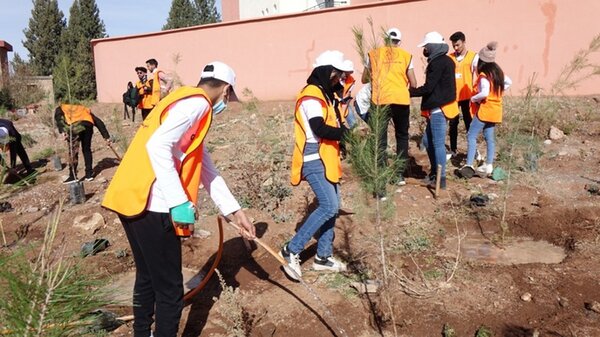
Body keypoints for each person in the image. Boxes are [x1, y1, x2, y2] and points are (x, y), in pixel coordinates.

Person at [101, 61, 256, 337]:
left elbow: (204, 167)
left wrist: (234, 211)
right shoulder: (198, 105)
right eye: (229, 96)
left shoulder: (179, 99)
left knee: (148, 277)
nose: (227, 102)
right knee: (171, 290)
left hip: (129, 198)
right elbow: (158, 145)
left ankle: (141, 333)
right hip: (154, 205)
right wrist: (178, 202)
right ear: (227, 89)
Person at [281, 50, 349, 281]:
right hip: (313, 159)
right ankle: (291, 250)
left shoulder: (325, 94)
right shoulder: (312, 96)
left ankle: (323, 257)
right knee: (329, 206)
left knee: (333, 206)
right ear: (326, 72)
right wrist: (348, 135)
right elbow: (319, 128)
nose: (339, 79)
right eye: (337, 74)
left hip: (326, 157)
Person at [363, 28, 417, 188]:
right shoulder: (406, 56)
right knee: (402, 136)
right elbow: (413, 83)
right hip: (400, 100)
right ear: (399, 42)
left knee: (380, 138)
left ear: (385, 40)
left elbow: (364, 78)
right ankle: (399, 174)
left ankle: (380, 173)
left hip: (381, 100)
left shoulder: (373, 54)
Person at [409, 32, 458, 190]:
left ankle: (440, 178)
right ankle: (435, 173)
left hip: (439, 109)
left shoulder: (437, 63)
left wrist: (409, 92)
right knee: (426, 142)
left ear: (433, 47)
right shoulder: (446, 61)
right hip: (439, 107)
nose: (425, 50)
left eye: (426, 47)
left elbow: (429, 87)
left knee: (437, 144)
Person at [459, 42, 511, 178]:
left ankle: (469, 164)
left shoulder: (484, 75)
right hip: (496, 110)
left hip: (485, 110)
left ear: (481, 61)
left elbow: (484, 93)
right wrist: (499, 91)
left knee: (471, 135)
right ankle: (489, 165)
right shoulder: (498, 72)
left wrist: (473, 99)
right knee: (489, 138)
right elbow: (509, 82)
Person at [54, 103, 111, 183]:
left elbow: (59, 119)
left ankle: (72, 176)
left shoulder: (61, 107)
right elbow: (98, 122)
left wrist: (63, 131)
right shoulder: (82, 108)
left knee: (73, 151)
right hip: (88, 125)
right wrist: (106, 137)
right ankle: (89, 174)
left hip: (75, 126)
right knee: (87, 149)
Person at [447, 31, 479, 158]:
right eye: (453, 45)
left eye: (458, 45)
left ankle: (473, 151)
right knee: (453, 123)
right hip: (453, 97)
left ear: (464, 42)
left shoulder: (473, 57)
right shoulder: (449, 57)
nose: (456, 48)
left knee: (469, 123)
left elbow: (479, 75)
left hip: (467, 96)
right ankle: (453, 149)